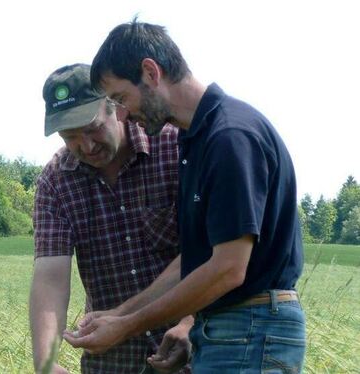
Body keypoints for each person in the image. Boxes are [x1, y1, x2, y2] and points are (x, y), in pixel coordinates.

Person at [63, 18, 306, 373]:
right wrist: (120, 313)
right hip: (233, 329)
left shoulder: (229, 137)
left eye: (120, 98)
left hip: (251, 329)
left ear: (150, 72)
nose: (125, 115)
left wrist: (128, 326)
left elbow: (228, 269)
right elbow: (198, 259)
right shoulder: (196, 140)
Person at [29, 63, 191, 373]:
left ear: (114, 107)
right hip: (111, 360)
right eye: (70, 136)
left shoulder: (173, 147)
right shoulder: (56, 181)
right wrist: (46, 361)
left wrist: (189, 324)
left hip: (189, 351)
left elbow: (208, 252)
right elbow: (50, 277)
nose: (86, 145)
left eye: (92, 128)